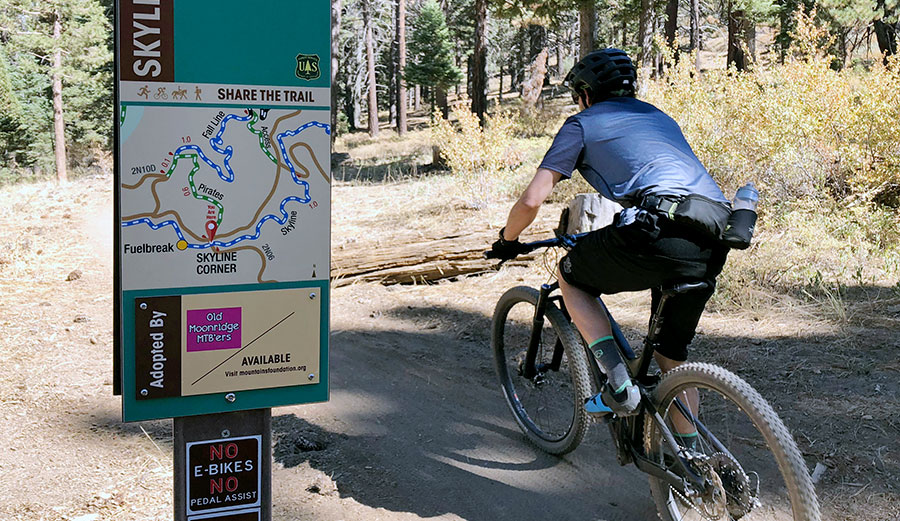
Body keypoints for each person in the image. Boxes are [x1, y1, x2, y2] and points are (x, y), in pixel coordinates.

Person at [489, 48, 730, 423]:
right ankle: (695, 462)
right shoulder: (659, 117)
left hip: (658, 229)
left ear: (585, 94)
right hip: (714, 233)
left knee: (571, 275)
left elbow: (532, 199)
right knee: (671, 357)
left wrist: (507, 239)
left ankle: (618, 385)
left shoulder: (581, 123)